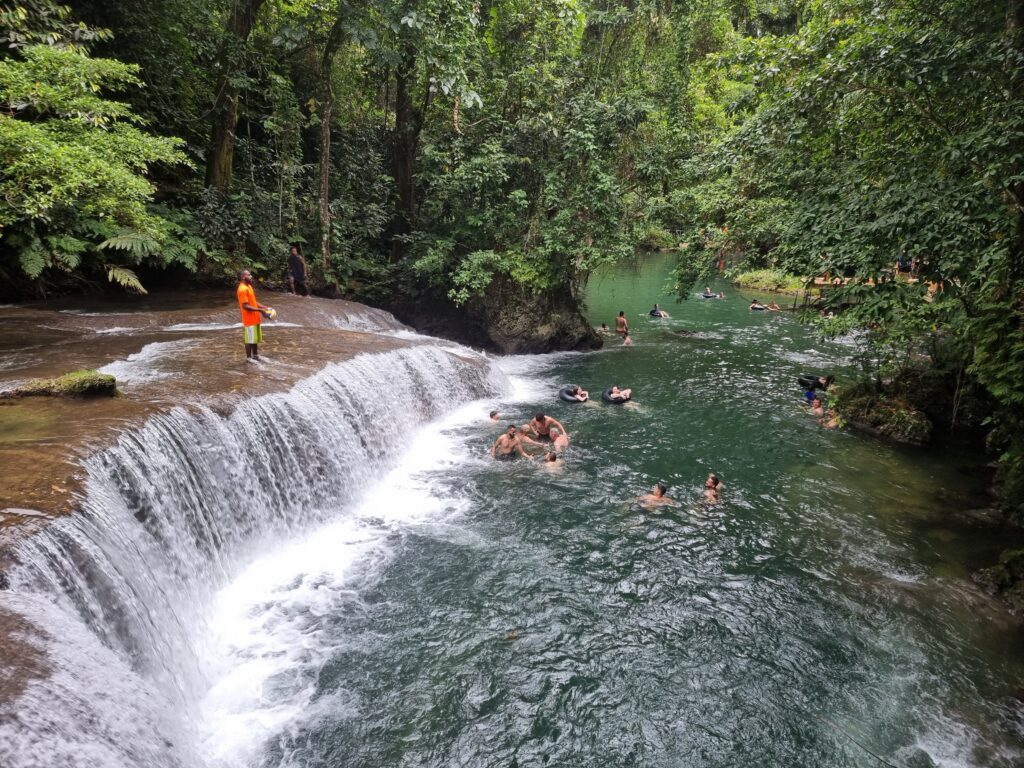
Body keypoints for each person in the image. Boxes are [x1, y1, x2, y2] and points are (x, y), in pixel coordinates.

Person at [237, 269, 274, 361]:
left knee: (254, 339)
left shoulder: (248, 286)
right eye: (249, 275)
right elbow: (245, 306)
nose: (251, 276)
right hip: (249, 319)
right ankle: (249, 359)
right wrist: (261, 311)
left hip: (255, 318)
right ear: (243, 277)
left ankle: (255, 355)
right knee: (249, 340)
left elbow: (253, 301)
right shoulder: (242, 289)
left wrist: (264, 307)